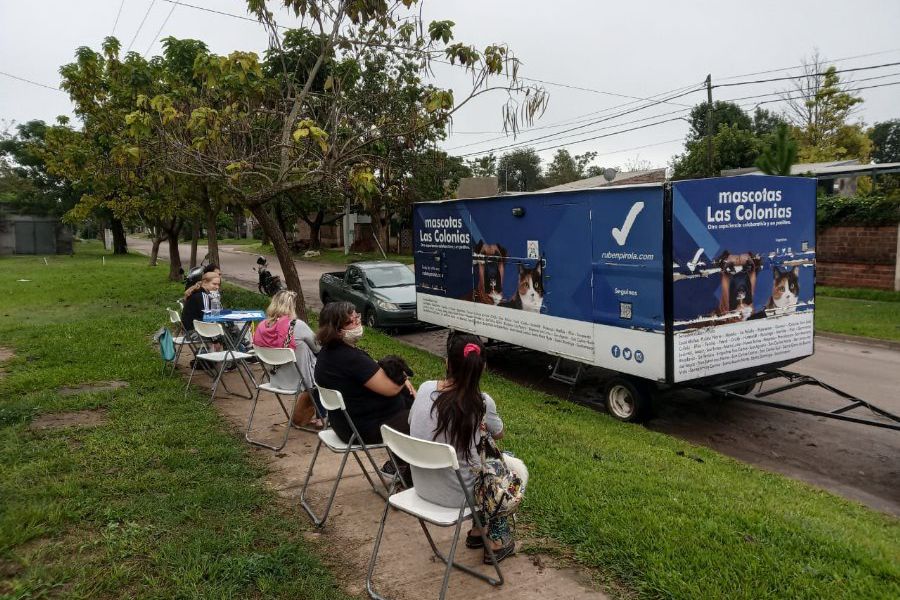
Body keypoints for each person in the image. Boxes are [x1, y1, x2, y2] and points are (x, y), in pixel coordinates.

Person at [408, 334, 527, 564]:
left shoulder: (424, 389)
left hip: (421, 488)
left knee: (479, 463)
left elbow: (414, 421)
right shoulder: (481, 402)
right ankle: (496, 540)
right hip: (458, 496)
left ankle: (476, 532)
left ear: (447, 363)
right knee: (509, 469)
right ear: (481, 368)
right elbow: (499, 433)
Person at [314, 301, 415, 444]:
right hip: (367, 429)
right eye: (351, 322)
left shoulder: (327, 353)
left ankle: (399, 465)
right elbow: (391, 389)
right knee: (430, 420)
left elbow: (372, 369)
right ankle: (399, 465)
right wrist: (404, 377)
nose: (357, 323)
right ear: (336, 330)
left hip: (344, 426)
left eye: (357, 317)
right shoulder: (350, 358)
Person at [253, 290, 322, 428]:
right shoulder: (297, 325)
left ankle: (315, 415)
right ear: (291, 307)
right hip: (300, 381)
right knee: (326, 370)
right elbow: (318, 348)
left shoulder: (261, 326)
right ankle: (323, 417)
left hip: (275, 380)